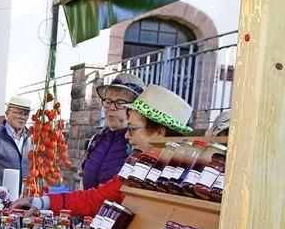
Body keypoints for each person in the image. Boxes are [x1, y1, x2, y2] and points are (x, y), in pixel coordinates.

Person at [12, 85, 192, 217]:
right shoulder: (136, 167)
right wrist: (44, 201)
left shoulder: (188, 181)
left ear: (159, 134)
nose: (127, 137)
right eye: (108, 101)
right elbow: (97, 198)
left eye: (133, 129)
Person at [82, 73, 145, 189]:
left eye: (120, 103)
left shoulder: (139, 144)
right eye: (108, 101)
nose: (112, 107)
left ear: (134, 108)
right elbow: (83, 185)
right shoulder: (96, 141)